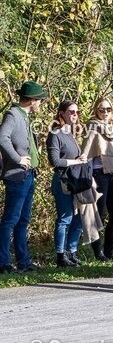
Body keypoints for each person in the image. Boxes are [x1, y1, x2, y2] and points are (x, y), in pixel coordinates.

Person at [0, 81, 48, 274]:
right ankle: (3, 262)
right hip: (16, 174)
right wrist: (18, 158)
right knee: (10, 220)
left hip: (28, 175)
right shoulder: (13, 114)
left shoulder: (26, 116)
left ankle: (23, 260)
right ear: (32, 101)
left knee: (23, 220)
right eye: (40, 101)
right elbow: (2, 137)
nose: (40, 104)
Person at [85, 98, 113, 260]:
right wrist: (89, 178)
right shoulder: (92, 127)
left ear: (112, 111)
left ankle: (108, 251)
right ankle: (98, 253)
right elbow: (87, 154)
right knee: (98, 214)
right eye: (101, 109)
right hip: (99, 174)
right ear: (96, 110)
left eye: (108, 109)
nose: (105, 112)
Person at [47, 100, 88, 268]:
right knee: (65, 218)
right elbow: (55, 161)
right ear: (61, 113)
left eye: (76, 112)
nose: (75, 115)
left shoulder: (70, 134)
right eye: (71, 112)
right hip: (63, 180)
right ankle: (61, 255)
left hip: (75, 181)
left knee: (78, 218)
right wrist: (76, 161)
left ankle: (72, 252)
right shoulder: (55, 134)